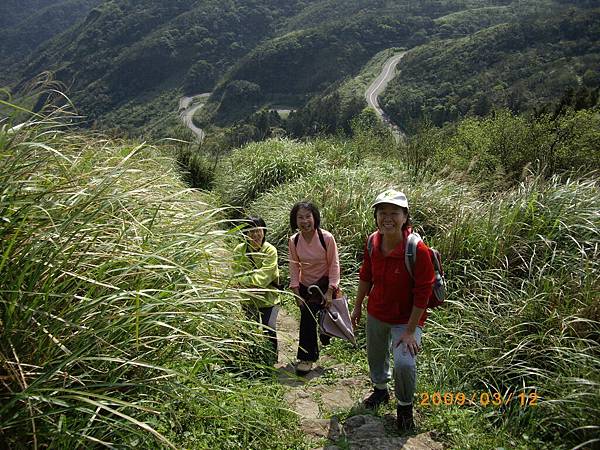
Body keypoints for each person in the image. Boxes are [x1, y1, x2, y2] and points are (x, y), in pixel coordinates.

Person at [350, 189, 435, 432]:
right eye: (382, 213)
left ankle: (405, 408)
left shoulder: (417, 249)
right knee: (376, 355)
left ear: (405, 216)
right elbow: (366, 276)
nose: (388, 218)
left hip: (406, 320)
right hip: (377, 311)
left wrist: (410, 331)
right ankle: (380, 391)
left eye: (394, 213)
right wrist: (357, 308)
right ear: (376, 216)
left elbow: (424, 292)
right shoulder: (372, 241)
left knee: (405, 363)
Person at [288, 201, 340, 375]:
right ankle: (307, 357)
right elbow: (294, 267)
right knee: (308, 317)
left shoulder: (326, 238)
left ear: (315, 218)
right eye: (300, 217)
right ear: (295, 221)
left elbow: (334, 264)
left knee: (320, 317)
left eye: (308, 216)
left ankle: (324, 332)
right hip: (306, 286)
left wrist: (331, 291)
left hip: (324, 284)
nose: (305, 221)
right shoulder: (294, 241)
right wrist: (296, 292)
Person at [233, 216, 280, 363]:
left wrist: (248, 282)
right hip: (248, 300)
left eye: (258, 230)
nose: (255, 235)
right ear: (245, 234)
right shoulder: (239, 250)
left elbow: (265, 276)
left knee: (269, 327)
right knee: (249, 330)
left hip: (269, 298)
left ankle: (271, 360)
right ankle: (252, 361)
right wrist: (250, 282)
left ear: (264, 232)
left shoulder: (270, 250)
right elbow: (236, 275)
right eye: (251, 231)